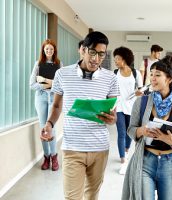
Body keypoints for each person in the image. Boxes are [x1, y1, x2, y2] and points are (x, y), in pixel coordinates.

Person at [41, 31, 120, 200]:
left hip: (99, 148)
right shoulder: (62, 74)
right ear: (83, 50)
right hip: (72, 147)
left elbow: (113, 113)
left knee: (92, 195)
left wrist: (113, 119)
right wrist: (49, 124)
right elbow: (56, 105)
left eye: (101, 54)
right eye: (92, 52)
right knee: (72, 197)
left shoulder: (111, 78)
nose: (96, 59)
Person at [122, 55, 172, 200]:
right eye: (151, 74)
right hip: (145, 160)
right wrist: (142, 131)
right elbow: (130, 129)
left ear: (169, 79)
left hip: (170, 162)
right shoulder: (141, 102)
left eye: (157, 75)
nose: (152, 78)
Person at [29, 39, 63, 171]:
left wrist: (45, 81)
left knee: (51, 127)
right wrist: (48, 84)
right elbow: (32, 84)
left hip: (54, 97)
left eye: (51, 49)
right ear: (43, 50)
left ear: (54, 51)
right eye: (47, 49)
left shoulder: (59, 64)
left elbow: (60, 84)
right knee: (43, 128)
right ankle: (46, 157)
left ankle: (54, 156)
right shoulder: (38, 64)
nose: (49, 51)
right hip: (41, 97)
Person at [113, 46, 143, 175]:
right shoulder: (114, 73)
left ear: (124, 59)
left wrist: (138, 93)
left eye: (117, 59)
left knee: (130, 132)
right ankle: (123, 158)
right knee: (121, 132)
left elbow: (142, 89)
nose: (115, 61)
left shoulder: (135, 73)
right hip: (118, 106)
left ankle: (126, 149)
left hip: (132, 106)